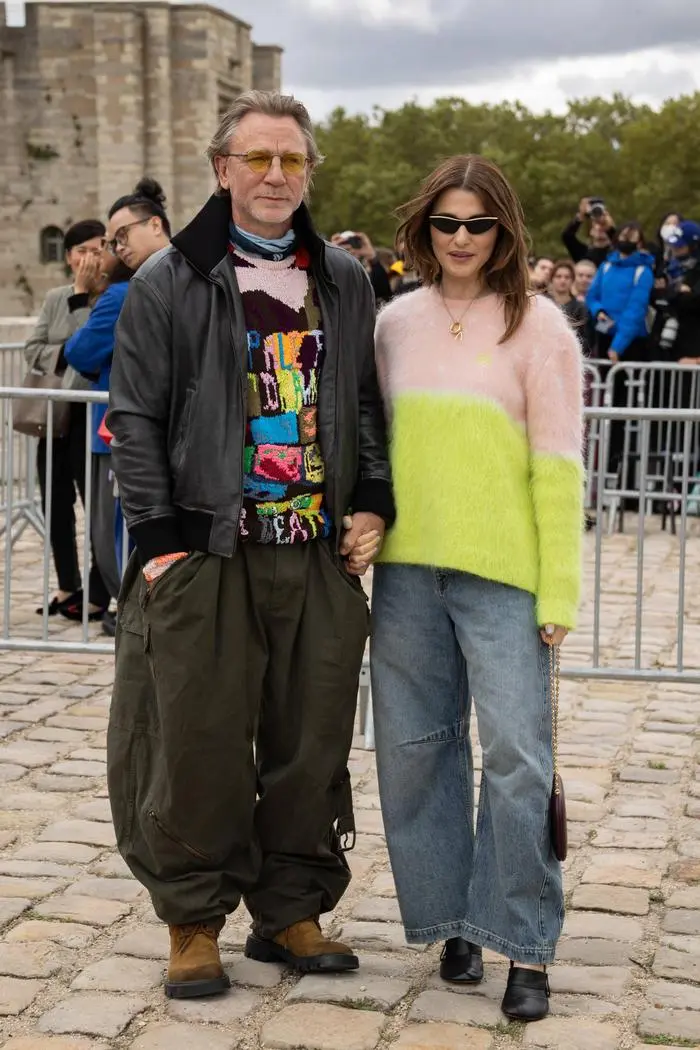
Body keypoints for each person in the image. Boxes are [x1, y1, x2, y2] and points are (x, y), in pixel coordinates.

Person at [106, 90, 394, 1000]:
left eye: (293, 161)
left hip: (315, 553)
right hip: (207, 551)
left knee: (310, 740)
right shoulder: (170, 279)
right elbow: (136, 419)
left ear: (310, 171)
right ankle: (192, 918)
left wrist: (373, 501)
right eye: (258, 159)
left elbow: (363, 409)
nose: (277, 177)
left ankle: (291, 908)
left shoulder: (345, 281)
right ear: (221, 168)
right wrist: (161, 546)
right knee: (197, 741)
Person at [370, 154, 583, 1023]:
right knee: (417, 756)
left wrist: (559, 589)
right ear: (425, 229)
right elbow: (373, 451)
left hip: (506, 579)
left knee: (518, 759)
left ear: (504, 231)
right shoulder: (391, 325)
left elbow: (560, 468)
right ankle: (455, 918)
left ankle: (524, 944)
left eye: (478, 224)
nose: (461, 238)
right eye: (446, 223)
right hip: (407, 573)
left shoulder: (542, 331)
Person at [23, 219, 112, 622]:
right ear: (70, 256)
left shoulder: (107, 297)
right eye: (83, 251)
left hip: (90, 414)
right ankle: (67, 583)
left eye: (99, 249)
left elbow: (85, 352)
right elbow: (33, 348)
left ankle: (97, 591)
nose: (90, 259)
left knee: (93, 505)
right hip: (54, 414)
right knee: (55, 503)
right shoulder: (58, 297)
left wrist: (81, 304)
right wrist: (63, 352)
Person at [333, 230, 393, 305]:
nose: (351, 250)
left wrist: (372, 257)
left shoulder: (367, 276)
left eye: (354, 243)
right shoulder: (333, 274)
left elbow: (384, 294)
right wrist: (331, 258)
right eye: (343, 246)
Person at [547, 259, 593, 356]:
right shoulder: (543, 305)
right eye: (558, 276)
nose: (562, 280)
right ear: (552, 279)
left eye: (567, 277)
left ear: (572, 280)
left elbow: (586, 340)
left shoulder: (581, 308)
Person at [562, 197, 614, 267]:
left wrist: (608, 227)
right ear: (591, 231)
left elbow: (619, 241)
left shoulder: (617, 251)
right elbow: (567, 236)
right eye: (596, 224)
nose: (600, 227)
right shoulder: (583, 252)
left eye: (603, 224)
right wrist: (580, 217)